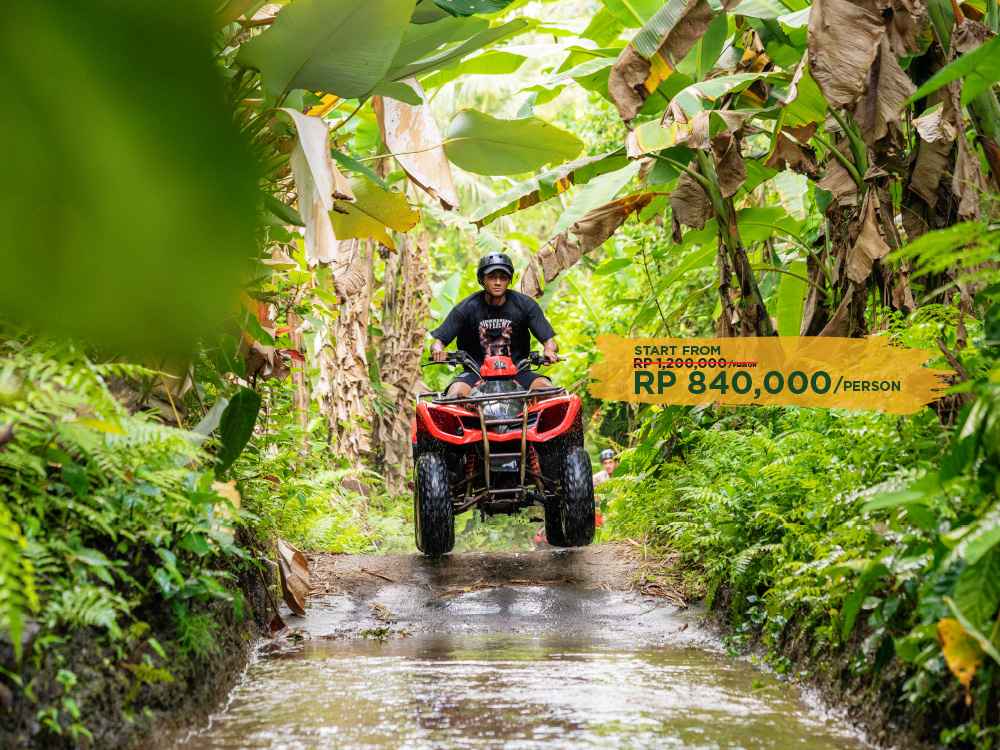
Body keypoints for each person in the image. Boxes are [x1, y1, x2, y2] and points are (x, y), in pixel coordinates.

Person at [430, 252, 559, 397]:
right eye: (492, 277)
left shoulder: (525, 305)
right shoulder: (466, 307)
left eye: (503, 278)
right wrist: (438, 350)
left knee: (547, 390)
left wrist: (549, 350)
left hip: (518, 371)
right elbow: (439, 341)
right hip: (475, 373)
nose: (497, 282)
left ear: (509, 280)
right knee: (455, 394)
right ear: (481, 280)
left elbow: (549, 340)